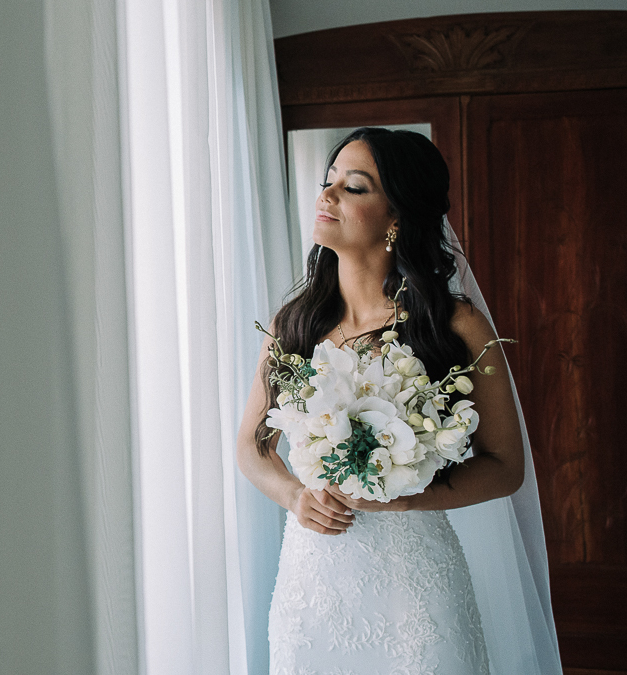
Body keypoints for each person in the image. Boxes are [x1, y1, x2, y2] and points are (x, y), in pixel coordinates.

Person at [236, 128, 562, 674]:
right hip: (312, 588)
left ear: (396, 217)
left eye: (353, 186)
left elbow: (506, 467)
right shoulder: (293, 326)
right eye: (328, 181)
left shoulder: (453, 326)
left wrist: (409, 498)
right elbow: (252, 446)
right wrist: (295, 496)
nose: (327, 195)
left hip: (417, 592)